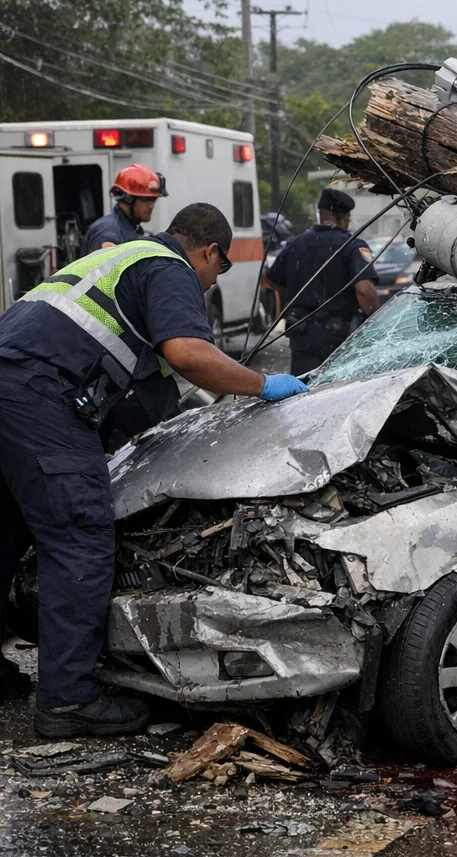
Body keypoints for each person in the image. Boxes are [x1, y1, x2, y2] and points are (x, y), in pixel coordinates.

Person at [0, 202, 308, 736]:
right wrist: (263, 385)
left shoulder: (123, 261)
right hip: (40, 395)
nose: (213, 283)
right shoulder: (169, 267)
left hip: (12, 384)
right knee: (80, 539)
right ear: (208, 251)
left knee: (5, 532)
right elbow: (188, 352)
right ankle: (68, 703)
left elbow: (156, 393)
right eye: (221, 268)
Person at [266, 188, 381, 375]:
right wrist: (374, 319)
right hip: (339, 340)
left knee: (303, 393)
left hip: (302, 336)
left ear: (321, 214)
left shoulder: (295, 244)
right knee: (339, 394)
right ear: (343, 217)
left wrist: (295, 297)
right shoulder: (351, 246)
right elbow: (364, 290)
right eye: (348, 216)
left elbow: (272, 281)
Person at [81, 164, 167, 254]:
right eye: (146, 199)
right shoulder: (109, 232)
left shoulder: (127, 228)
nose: (151, 206)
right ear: (128, 198)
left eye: (154, 199)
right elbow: (105, 268)